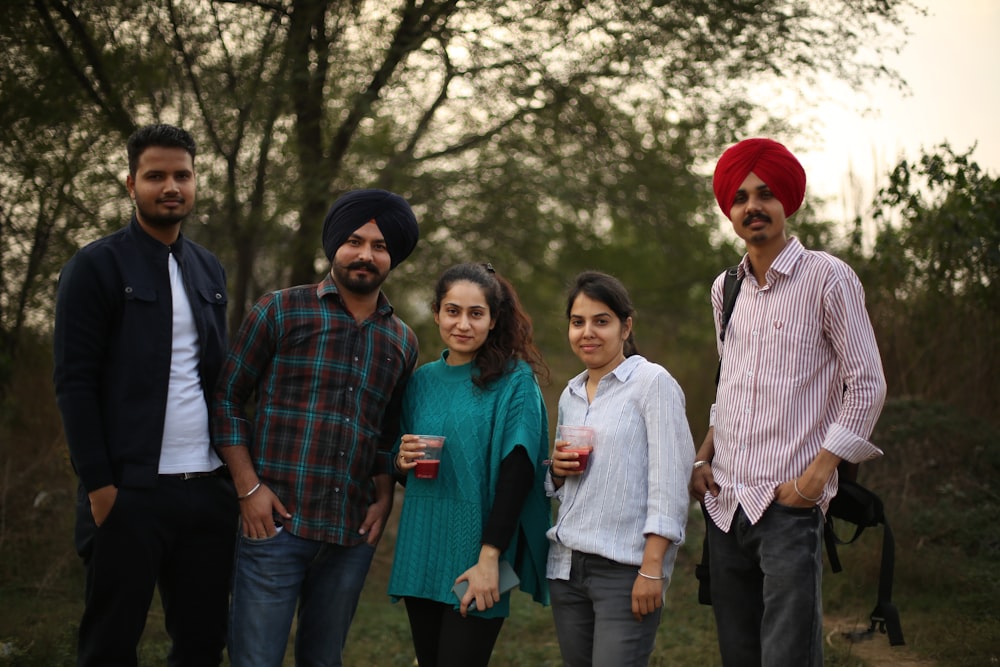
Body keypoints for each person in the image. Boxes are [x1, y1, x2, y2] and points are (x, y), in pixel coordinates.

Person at [689, 137, 888, 667]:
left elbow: (867, 383)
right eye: (740, 198)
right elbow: (728, 387)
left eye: (766, 194)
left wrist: (816, 479)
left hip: (787, 505)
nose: (752, 206)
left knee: (787, 657)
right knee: (740, 656)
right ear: (729, 211)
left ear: (787, 203)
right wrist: (703, 458)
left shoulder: (828, 277)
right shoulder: (724, 289)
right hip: (725, 505)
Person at [52, 123, 236, 666]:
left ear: (195, 181)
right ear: (131, 184)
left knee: (202, 644)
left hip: (205, 492)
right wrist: (101, 487)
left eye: (182, 175)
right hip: (129, 495)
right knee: (110, 646)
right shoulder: (96, 266)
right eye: (156, 176)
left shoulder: (208, 267)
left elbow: (216, 377)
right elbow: (74, 382)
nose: (171, 186)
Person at [212, 188, 420, 667]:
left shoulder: (402, 341)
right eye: (354, 240)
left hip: (350, 535)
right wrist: (248, 489)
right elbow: (226, 399)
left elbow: (386, 433)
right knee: (256, 659)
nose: (366, 253)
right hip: (275, 524)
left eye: (381, 246)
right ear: (334, 245)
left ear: (394, 258)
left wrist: (385, 495)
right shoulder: (280, 310)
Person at [389, 262, 552, 667]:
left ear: (493, 320)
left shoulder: (515, 381)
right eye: (452, 311)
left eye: (475, 313)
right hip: (421, 547)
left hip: (478, 556)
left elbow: (519, 475)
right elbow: (401, 462)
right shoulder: (421, 381)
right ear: (437, 313)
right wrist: (399, 459)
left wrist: (489, 558)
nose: (463, 323)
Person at [546, 271, 695, 667]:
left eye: (601, 321)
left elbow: (671, 483)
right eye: (578, 322)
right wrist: (557, 472)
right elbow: (569, 487)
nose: (587, 333)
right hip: (567, 566)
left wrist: (652, 570)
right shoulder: (572, 392)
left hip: (625, 570)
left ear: (626, 326)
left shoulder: (652, 383)